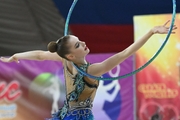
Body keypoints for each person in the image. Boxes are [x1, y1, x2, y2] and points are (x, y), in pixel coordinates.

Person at [0, 20, 177, 120]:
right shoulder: (93, 70)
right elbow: (125, 53)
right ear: (70, 55)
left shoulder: (66, 62)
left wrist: (16, 55)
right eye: (78, 44)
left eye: (80, 40)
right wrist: (151, 31)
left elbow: (40, 55)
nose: (84, 43)